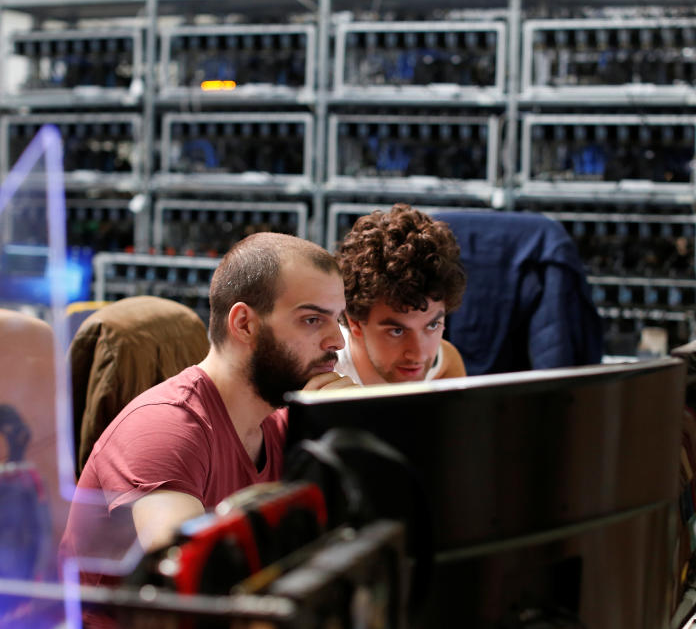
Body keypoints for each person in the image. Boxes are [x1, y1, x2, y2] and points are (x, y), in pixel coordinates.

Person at [62, 233, 355, 568]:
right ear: (245, 324)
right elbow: (192, 576)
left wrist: (353, 423)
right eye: (312, 320)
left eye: (337, 319)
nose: (337, 341)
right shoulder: (165, 428)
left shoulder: (278, 424)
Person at [335, 204, 467, 385]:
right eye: (397, 331)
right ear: (355, 322)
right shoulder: (320, 369)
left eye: (433, 325)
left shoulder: (442, 362)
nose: (417, 355)